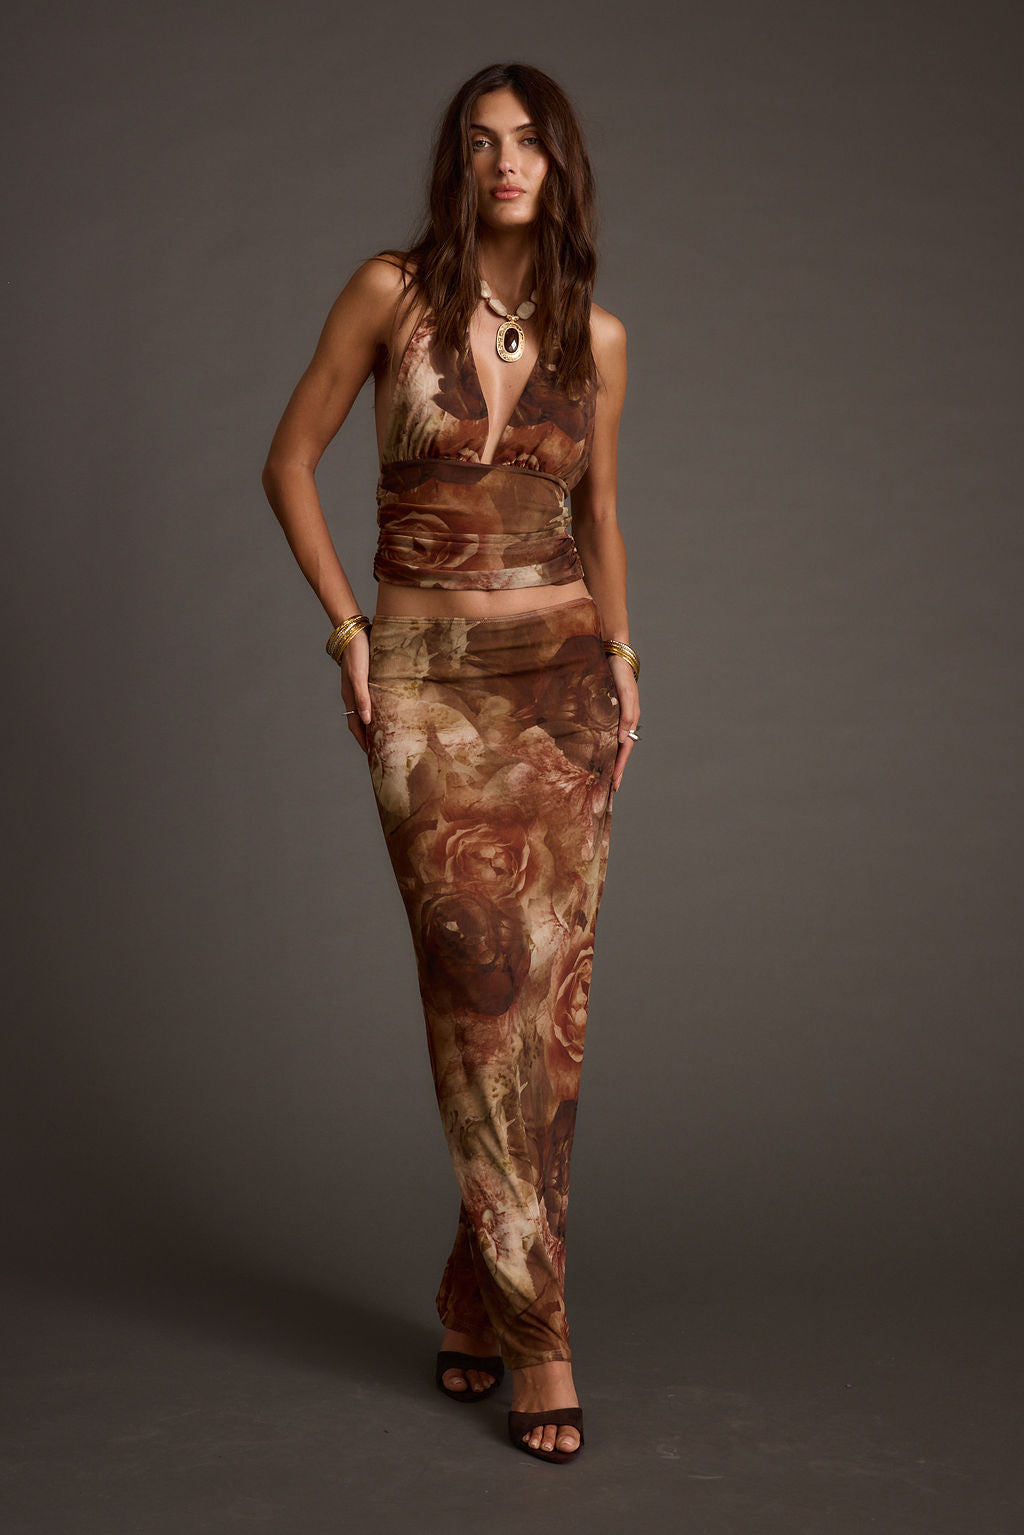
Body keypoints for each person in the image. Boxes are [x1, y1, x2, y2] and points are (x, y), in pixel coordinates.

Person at [261, 61, 640, 1465]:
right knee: (480, 991)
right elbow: (288, 460)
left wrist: (627, 656)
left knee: (547, 1018)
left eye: (528, 141)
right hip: (426, 686)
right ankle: (543, 1334)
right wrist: (347, 632)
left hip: (565, 688)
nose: (505, 162)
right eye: (481, 142)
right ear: (457, 164)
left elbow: (603, 516)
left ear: (560, 163)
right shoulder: (389, 293)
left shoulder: (598, 336)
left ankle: (478, 1295)